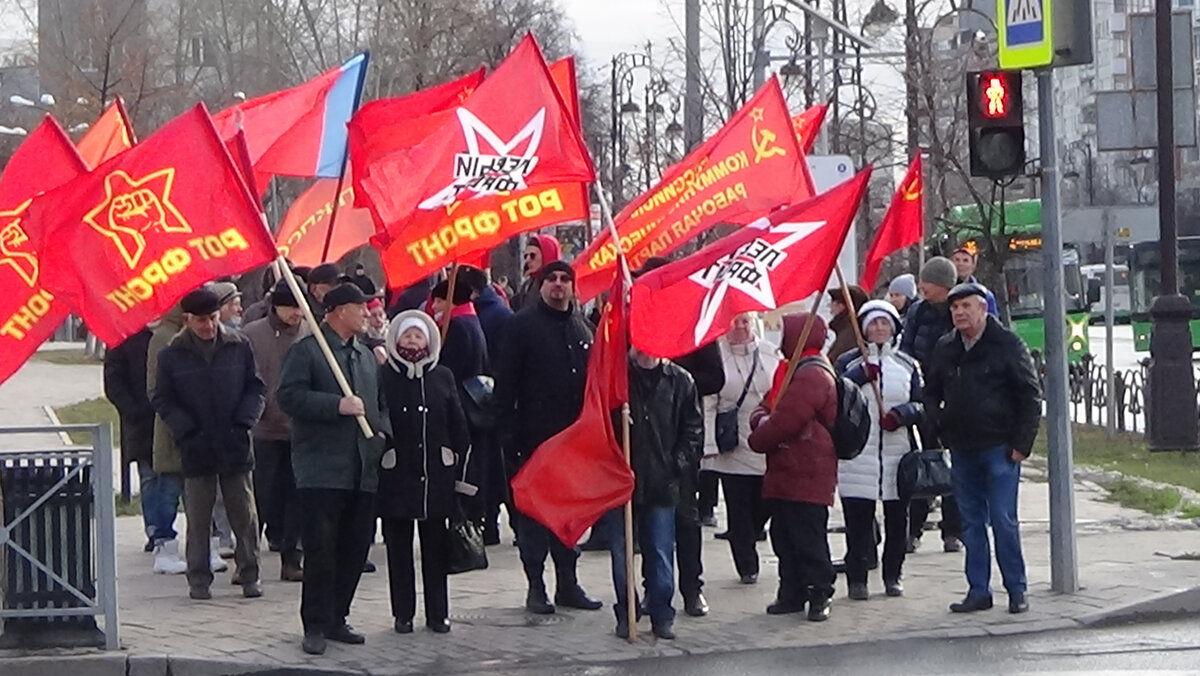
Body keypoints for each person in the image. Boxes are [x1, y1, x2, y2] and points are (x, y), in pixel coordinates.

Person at [278, 282, 392, 655]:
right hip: (322, 469)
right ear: (339, 311)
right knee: (322, 550)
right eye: (360, 307)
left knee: (355, 549)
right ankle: (314, 623)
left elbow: (380, 403)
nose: (366, 313)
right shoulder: (309, 352)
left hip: (363, 467)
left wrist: (382, 434)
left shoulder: (364, 356)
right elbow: (289, 397)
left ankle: (337, 616)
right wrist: (334, 406)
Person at [493, 261, 602, 615]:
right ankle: (536, 586)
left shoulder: (582, 327)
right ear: (541, 285)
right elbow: (504, 386)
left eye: (564, 280)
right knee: (536, 519)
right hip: (534, 441)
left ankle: (568, 584)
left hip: (574, 443)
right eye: (551, 279)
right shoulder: (520, 326)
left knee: (569, 518)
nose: (558, 285)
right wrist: (509, 440)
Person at [924, 283, 1040, 615]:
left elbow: (1030, 396)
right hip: (962, 448)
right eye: (954, 307)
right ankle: (978, 590)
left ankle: (1016, 589)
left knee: (1003, 520)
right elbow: (931, 391)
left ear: (982, 309)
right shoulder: (946, 347)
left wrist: (1021, 445)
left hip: (1000, 448)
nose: (959, 313)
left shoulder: (1006, 344)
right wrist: (939, 423)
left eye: (966, 306)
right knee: (971, 523)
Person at [150, 287, 266, 601]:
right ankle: (198, 579)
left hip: (234, 441)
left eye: (213, 319)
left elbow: (255, 389)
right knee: (199, 518)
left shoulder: (239, 345)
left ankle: (249, 573)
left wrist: (244, 423)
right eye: (202, 321)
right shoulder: (171, 354)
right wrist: (186, 431)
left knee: (243, 513)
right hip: (195, 444)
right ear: (188, 320)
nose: (209, 326)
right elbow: (162, 398)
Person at [379, 310, 476, 635]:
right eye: (406, 335)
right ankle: (402, 613)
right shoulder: (384, 376)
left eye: (418, 335)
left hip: (437, 476)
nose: (412, 341)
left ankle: (438, 613)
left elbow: (458, 426)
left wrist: (460, 472)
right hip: (397, 476)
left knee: (435, 550)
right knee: (399, 550)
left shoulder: (443, 376)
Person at [599, 345, 703, 640]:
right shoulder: (616, 380)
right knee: (622, 553)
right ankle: (626, 612)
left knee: (659, 552)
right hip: (621, 483)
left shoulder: (680, 380)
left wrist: (676, 464)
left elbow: (693, 429)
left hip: (662, 482)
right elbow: (598, 424)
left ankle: (662, 613)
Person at [748, 312, 838, 622]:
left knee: (807, 536)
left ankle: (818, 592)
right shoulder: (791, 370)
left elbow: (782, 421)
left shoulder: (811, 374)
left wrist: (759, 429)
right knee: (785, 534)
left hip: (807, 469)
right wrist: (762, 419)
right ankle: (792, 592)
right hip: (789, 468)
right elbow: (767, 407)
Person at [834, 300, 924, 600]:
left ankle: (892, 575)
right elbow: (833, 398)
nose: (879, 328)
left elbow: (923, 405)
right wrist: (858, 377)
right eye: (873, 323)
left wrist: (903, 414)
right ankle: (857, 578)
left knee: (898, 522)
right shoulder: (848, 363)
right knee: (858, 524)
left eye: (885, 323)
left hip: (896, 455)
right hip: (858, 455)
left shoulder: (908, 364)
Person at [703, 313, 778, 585]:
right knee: (739, 509)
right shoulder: (716, 357)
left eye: (745, 320)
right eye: (734, 321)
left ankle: (754, 534)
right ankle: (747, 565)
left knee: (765, 502)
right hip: (731, 446)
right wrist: (709, 444)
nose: (740, 326)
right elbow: (709, 402)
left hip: (764, 441)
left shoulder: (770, 354)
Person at [243, 279, 309, 582]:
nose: (297, 313)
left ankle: (293, 558)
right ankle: (248, 560)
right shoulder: (253, 335)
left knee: (297, 497)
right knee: (260, 497)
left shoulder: (311, 334)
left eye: (301, 307)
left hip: (300, 430)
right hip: (264, 429)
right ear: (276, 306)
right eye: (292, 307)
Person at [899, 256, 963, 554]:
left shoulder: (958, 310)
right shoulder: (917, 312)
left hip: (954, 398)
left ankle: (953, 531)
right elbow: (906, 350)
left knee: (955, 467)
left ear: (943, 285)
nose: (921, 286)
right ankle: (913, 529)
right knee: (922, 463)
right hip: (924, 397)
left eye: (928, 282)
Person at [462, 265, 516, 545]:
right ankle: (491, 522)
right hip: (484, 400)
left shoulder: (494, 315)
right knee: (492, 467)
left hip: (489, 399)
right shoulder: (484, 311)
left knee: (497, 467)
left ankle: (505, 522)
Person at [144, 303, 190, 575]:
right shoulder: (163, 338)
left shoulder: (185, 335)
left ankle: (200, 546)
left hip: (196, 427)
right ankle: (164, 544)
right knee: (168, 489)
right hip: (171, 427)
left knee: (195, 491)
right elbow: (155, 388)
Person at [103, 326, 157, 552]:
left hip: (174, 420)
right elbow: (113, 383)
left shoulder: (173, 333)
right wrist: (134, 412)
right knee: (150, 478)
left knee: (180, 481)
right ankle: (156, 530)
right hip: (142, 422)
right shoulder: (122, 337)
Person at [511, 233, 561, 311]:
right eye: (526, 256)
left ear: (546, 255)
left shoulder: (560, 285)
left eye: (532, 255)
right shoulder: (527, 285)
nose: (527, 260)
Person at [950, 248, 999, 317]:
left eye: (965, 260)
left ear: (973, 267)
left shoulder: (985, 295)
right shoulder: (942, 292)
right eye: (957, 260)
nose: (960, 264)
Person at [827, 285, 868, 363]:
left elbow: (834, 363)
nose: (831, 309)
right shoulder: (849, 330)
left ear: (842, 306)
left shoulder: (850, 335)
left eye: (833, 302)